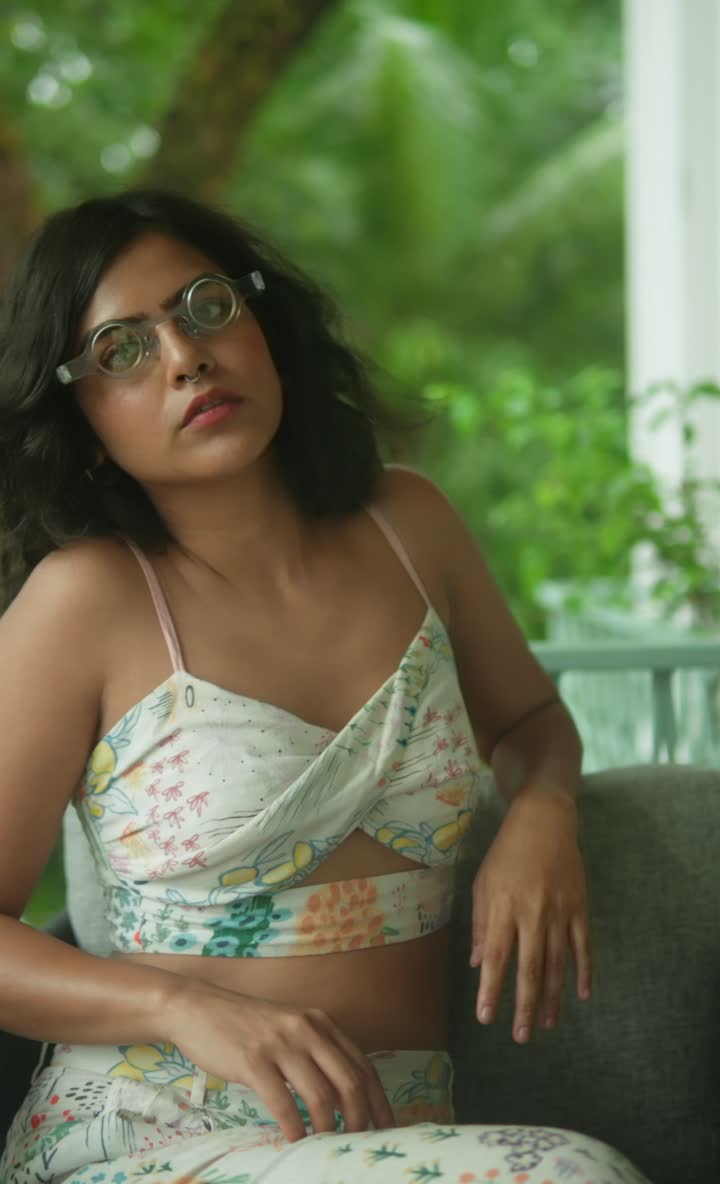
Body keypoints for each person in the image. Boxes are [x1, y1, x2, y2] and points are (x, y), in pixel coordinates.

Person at [0, 190, 648, 1184]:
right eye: (122, 349)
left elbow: (528, 720)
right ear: (83, 422)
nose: (186, 355)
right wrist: (179, 1006)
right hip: (155, 1128)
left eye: (205, 306)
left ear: (266, 324)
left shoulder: (411, 524)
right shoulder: (84, 601)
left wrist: (542, 805)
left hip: (396, 1134)